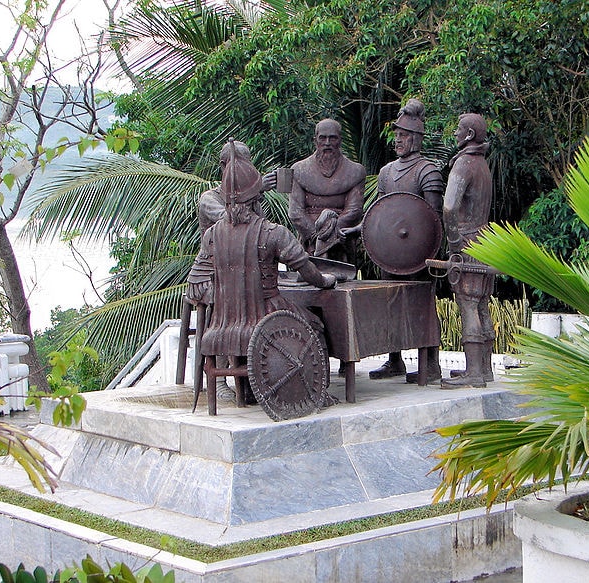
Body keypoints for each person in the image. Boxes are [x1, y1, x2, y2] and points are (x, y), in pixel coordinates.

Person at [187, 141, 337, 403]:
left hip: (232, 297)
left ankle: (250, 385)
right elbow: (305, 267)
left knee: (233, 307)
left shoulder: (212, 236)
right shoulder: (270, 232)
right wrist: (324, 281)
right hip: (243, 297)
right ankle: (316, 393)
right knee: (314, 325)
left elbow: (195, 275)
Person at [368, 99, 444, 384]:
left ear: (416, 138)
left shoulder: (428, 171)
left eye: (404, 135)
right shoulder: (387, 172)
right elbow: (379, 212)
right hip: (390, 253)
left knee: (423, 306)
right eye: (397, 134)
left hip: (419, 254)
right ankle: (394, 359)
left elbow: (433, 218)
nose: (398, 140)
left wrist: (424, 250)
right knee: (391, 305)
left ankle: (431, 363)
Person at [195, 141, 276, 400]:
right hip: (214, 275)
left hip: (246, 271)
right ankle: (219, 379)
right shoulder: (210, 198)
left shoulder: (251, 200)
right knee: (230, 296)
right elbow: (231, 221)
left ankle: (256, 373)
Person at [441, 113, 495, 388]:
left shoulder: (464, 163)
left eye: (459, 129)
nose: (455, 134)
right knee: (482, 304)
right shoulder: (482, 164)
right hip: (486, 242)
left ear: (470, 135)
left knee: (469, 304)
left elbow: (450, 206)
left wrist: (453, 243)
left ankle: (474, 373)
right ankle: (484, 369)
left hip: (468, 243)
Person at [289, 118, 366, 264]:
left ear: (340, 140)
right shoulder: (299, 170)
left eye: (333, 138)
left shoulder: (356, 171)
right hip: (309, 242)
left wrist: (331, 233)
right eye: (322, 138)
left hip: (341, 238)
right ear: (315, 140)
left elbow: (354, 210)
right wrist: (316, 236)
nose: (327, 143)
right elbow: (295, 212)